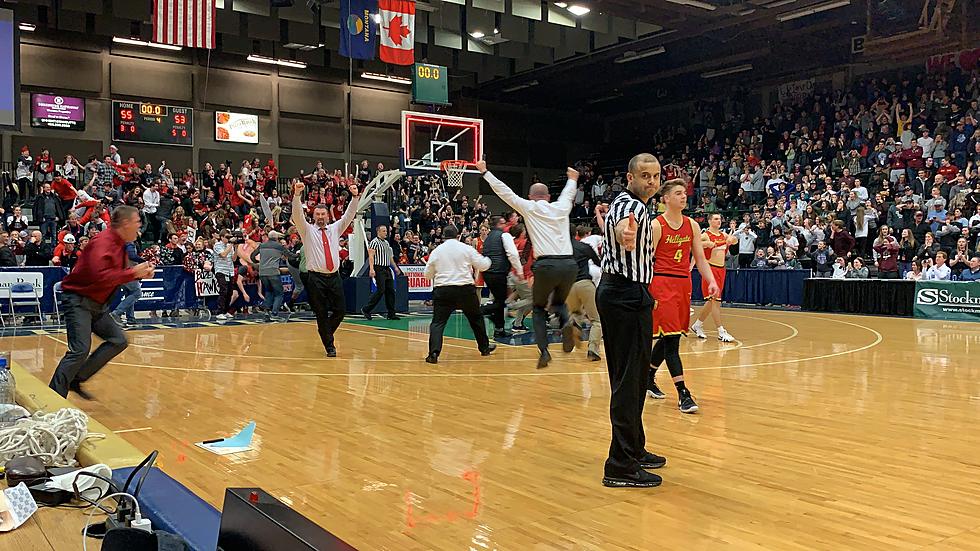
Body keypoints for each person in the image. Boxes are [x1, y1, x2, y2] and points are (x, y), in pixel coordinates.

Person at [595, 153, 670, 489]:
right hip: (626, 295)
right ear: (630, 177)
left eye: (655, 176)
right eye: (645, 175)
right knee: (630, 380)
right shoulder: (632, 207)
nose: (651, 181)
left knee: (633, 378)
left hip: (619, 293)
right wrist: (627, 232)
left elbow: (620, 224)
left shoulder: (624, 203)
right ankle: (621, 465)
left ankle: (633, 449)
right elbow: (627, 223)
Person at [478, 160, 580, 368]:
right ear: (549, 197)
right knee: (559, 303)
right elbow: (568, 193)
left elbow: (505, 192)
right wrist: (572, 179)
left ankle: (544, 352)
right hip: (569, 265)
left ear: (531, 196)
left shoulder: (529, 207)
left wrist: (485, 172)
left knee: (539, 308)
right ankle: (566, 321)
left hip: (546, 265)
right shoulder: (561, 207)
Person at [48, 206, 156, 399]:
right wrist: (133, 273)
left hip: (97, 305)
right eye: (137, 222)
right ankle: (52, 398)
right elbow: (99, 276)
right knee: (79, 350)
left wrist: (138, 271)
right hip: (78, 300)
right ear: (125, 223)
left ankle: (76, 377)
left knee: (118, 341)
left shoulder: (119, 244)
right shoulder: (103, 241)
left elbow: (112, 270)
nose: (140, 226)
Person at [645, 179, 720, 414]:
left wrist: (711, 280)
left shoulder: (692, 226)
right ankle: (683, 393)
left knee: (671, 336)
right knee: (673, 342)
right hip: (661, 282)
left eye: (684, 193)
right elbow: (646, 260)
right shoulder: (656, 225)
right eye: (677, 193)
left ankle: (647, 376)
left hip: (683, 284)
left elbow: (699, 258)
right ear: (665, 198)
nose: (683, 197)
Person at [291, 178, 360, 357]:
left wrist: (354, 197)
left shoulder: (335, 229)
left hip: (334, 276)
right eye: (318, 215)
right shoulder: (307, 231)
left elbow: (349, 216)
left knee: (340, 310)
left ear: (327, 216)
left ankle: (325, 332)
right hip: (316, 278)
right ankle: (329, 345)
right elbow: (297, 215)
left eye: (323, 215)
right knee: (321, 312)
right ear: (314, 216)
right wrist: (297, 195)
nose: (321, 217)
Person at [423, 226, 495, 364]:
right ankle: (484, 348)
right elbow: (484, 265)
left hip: (443, 290)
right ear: (457, 236)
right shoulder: (466, 248)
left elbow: (427, 275)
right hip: (465, 290)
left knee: (438, 323)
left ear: (443, 237)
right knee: (476, 319)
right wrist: (491, 258)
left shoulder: (437, 251)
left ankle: (433, 353)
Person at [690, 213, 738, 342]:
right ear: (709, 221)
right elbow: (694, 244)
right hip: (709, 269)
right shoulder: (706, 235)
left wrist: (731, 240)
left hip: (721, 270)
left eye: (720, 219)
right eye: (716, 219)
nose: (719, 221)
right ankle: (721, 331)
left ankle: (697, 324)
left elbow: (735, 240)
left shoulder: (723, 235)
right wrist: (706, 244)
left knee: (711, 302)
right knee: (716, 301)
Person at [479, 215, 523, 339]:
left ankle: (499, 329)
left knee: (499, 300)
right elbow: (512, 254)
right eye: (503, 223)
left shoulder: (488, 238)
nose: (505, 225)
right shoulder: (504, 235)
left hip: (487, 272)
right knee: (501, 301)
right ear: (499, 224)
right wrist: (519, 270)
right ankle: (481, 310)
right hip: (498, 272)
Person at [566, 224, 602, 361]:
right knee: (596, 320)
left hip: (568, 285)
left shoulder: (559, 250)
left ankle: (574, 326)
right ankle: (593, 350)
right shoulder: (583, 246)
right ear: (576, 233)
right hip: (584, 283)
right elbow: (598, 263)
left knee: (575, 314)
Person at [251, 230, 297, 321]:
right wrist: (298, 254)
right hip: (273, 272)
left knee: (269, 291)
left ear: (268, 237)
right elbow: (291, 256)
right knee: (279, 293)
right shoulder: (279, 246)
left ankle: (267, 312)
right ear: (276, 238)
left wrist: (257, 262)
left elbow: (252, 256)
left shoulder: (262, 245)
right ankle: (274, 313)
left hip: (263, 272)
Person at [361, 225, 402, 321]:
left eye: (386, 231)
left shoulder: (386, 243)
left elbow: (390, 257)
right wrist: (371, 269)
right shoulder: (374, 242)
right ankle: (366, 309)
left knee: (390, 290)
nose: (385, 233)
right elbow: (371, 256)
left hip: (387, 268)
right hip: (378, 268)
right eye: (383, 231)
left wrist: (395, 267)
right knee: (381, 290)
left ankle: (391, 313)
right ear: (378, 232)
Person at [109, 241, 148, 326]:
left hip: (120, 271)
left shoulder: (119, 243)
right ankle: (116, 313)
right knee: (137, 293)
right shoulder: (129, 243)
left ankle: (131, 318)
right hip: (129, 272)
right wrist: (144, 261)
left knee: (129, 293)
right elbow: (132, 256)